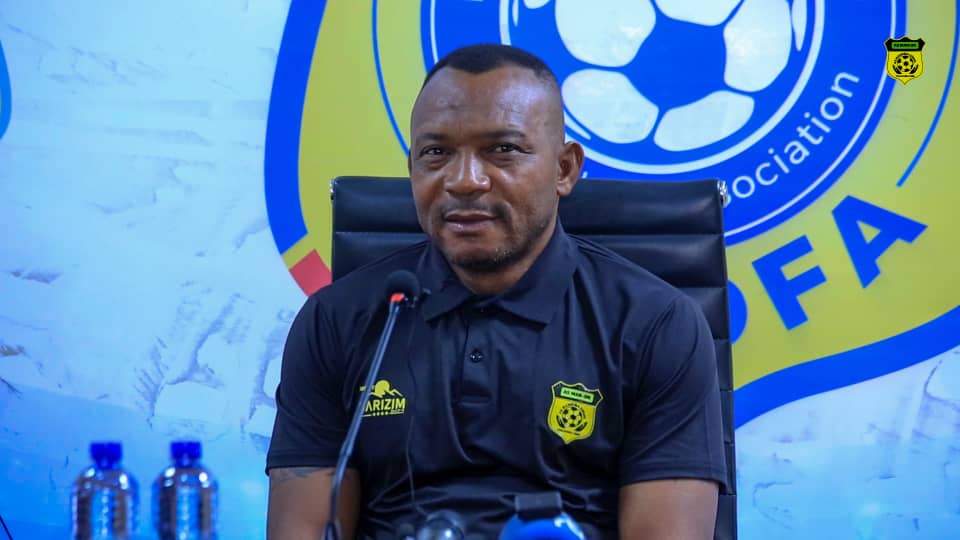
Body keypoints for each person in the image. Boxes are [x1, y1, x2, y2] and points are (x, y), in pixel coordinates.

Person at [266, 43, 727, 539]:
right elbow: (303, 530)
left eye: (502, 149)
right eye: (436, 153)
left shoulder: (657, 324)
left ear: (564, 169)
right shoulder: (336, 319)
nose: (464, 181)